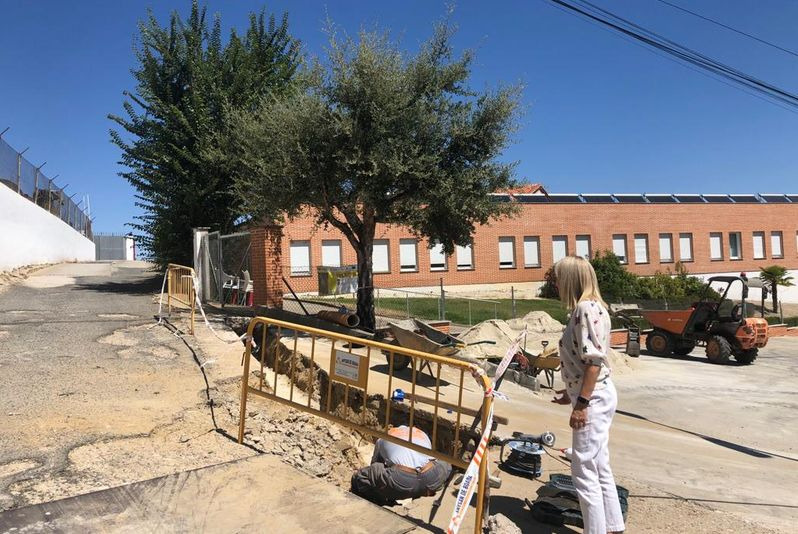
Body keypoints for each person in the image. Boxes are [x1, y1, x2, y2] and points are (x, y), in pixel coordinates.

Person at [550, 256, 625, 534]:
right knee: (598, 463)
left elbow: (593, 362)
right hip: (597, 394)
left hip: (593, 399)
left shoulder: (584, 308)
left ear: (571, 279)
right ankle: (614, 526)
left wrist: (580, 404)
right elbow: (585, 364)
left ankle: (596, 530)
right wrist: (571, 394)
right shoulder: (594, 307)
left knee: (583, 471)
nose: (556, 284)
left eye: (559, 278)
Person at [351, 425, 451, 505]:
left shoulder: (382, 440)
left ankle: (383, 502)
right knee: (445, 464)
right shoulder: (421, 434)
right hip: (431, 479)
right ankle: (427, 490)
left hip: (402, 482)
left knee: (361, 477)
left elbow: (375, 464)